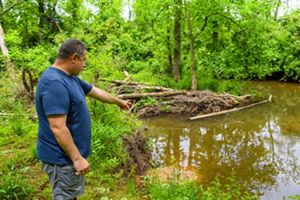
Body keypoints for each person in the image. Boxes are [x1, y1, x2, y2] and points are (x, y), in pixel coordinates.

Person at [35, 39, 131, 200]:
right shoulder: (54, 83)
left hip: (69, 158)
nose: (85, 64)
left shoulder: (70, 78)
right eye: (84, 59)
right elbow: (57, 128)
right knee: (64, 196)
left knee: (70, 195)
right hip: (62, 159)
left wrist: (119, 102)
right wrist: (77, 158)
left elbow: (96, 92)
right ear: (74, 58)